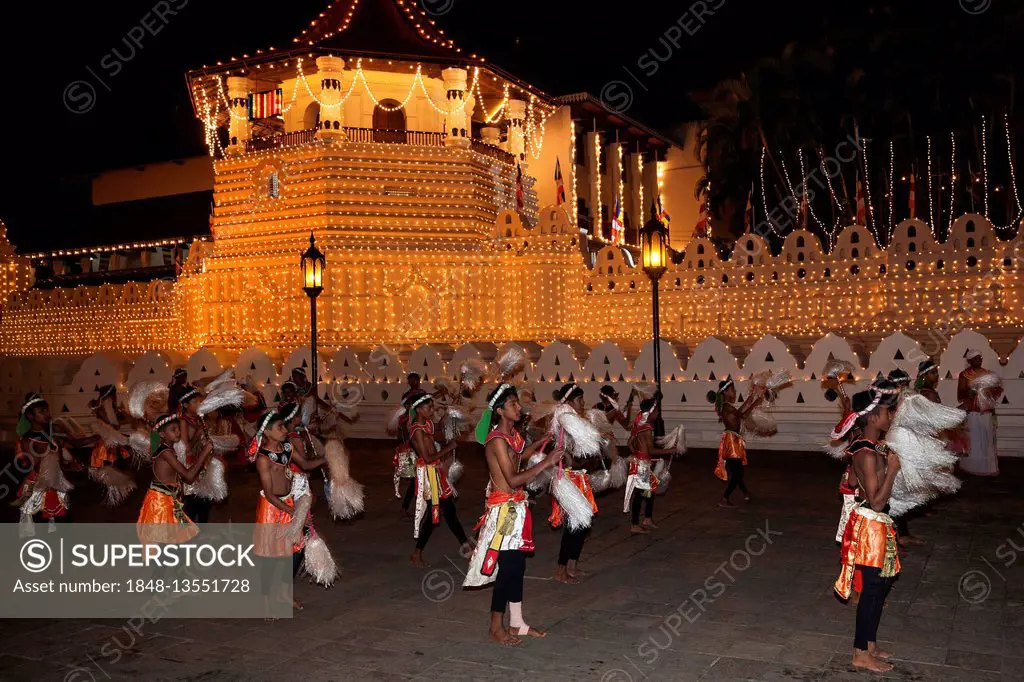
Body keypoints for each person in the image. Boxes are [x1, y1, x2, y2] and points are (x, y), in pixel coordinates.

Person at [464, 383, 561, 646]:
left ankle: (517, 622)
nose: (519, 408)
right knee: (508, 569)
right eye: (513, 405)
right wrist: (546, 462)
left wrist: (540, 444)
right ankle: (496, 626)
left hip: (515, 509)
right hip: (503, 512)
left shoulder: (511, 437)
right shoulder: (496, 439)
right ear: (499, 411)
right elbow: (514, 477)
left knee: (517, 567)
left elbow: (518, 456)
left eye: (518, 403)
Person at [833, 389, 902, 673]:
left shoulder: (867, 447)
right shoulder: (868, 453)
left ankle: (870, 644)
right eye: (887, 412)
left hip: (876, 523)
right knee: (873, 588)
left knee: (883, 584)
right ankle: (860, 653)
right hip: (872, 524)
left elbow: (851, 478)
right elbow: (876, 500)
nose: (891, 416)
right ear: (873, 417)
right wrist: (894, 469)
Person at [250, 410, 323, 617]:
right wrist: (295, 511)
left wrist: (327, 459)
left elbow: (306, 465)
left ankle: (283, 591)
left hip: (290, 502)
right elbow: (271, 494)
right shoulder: (263, 459)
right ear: (267, 432)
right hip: (271, 509)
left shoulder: (288, 448)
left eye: (284, 425)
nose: (284, 429)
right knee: (271, 556)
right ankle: (264, 601)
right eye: (280, 427)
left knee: (296, 550)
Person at [407, 393, 472, 567]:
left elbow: (436, 435)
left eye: (431, 407)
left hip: (436, 472)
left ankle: (465, 545)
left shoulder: (427, 424)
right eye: (428, 408)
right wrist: (448, 448)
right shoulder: (417, 430)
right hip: (428, 474)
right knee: (434, 516)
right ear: (418, 410)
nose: (431, 410)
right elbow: (427, 458)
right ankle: (416, 554)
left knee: (448, 511)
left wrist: (452, 419)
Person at [137, 414, 214, 545]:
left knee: (172, 543)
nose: (178, 432)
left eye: (178, 428)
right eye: (173, 429)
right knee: (167, 545)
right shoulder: (166, 453)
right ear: (162, 434)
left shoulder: (167, 450)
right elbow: (188, 477)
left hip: (167, 499)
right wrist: (204, 453)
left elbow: (182, 476)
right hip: (161, 502)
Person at [550, 382, 598, 584]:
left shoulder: (575, 423)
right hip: (569, 480)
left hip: (579, 479)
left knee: (582, 525)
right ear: (569, 402)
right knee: (572, 527)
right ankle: (561, 570)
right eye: (579, 400)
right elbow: (571, 459)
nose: (583, 403)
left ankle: (572, 565)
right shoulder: (566, 425)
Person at [623, 398, 675, 534]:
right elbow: (651, 450)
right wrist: (670, 451)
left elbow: (629, 443)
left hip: (641, 463)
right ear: (651, 412)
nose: (658, 413)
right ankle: (634, 524)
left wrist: (638, 453)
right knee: (640, 494)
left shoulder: (639, 424)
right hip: (641, 466)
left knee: (649, 492)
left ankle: (647, 518)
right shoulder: (646, 428)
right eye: (656, 410)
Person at [712, 378, 765, 507]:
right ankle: (725, 498)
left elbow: (739, 413)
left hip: (732, 439)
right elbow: (743, 415)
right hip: (731, 442)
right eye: (732, 390)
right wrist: (754, 403)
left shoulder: (727, 407)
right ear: (726, 392)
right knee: (738, 472)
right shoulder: (727, 407)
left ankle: (746, 493)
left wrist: (748, 400)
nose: (734, 392)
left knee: (737, 470)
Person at [957, 349, 1001, 476]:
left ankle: (988, 469)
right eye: (976, 358)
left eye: (980, 357)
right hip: (973, 412)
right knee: (974, 442)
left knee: (988, 441)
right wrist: (971, 392)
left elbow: (994, 392)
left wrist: (990, 392)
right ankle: (973, 467)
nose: (979, 360)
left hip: (986, 411)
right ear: (970, 361)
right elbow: (960, 394)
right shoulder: (964, 374)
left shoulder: (988, 374)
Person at [177, 385, 214, 525]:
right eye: (194, 402)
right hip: (191, 464)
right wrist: (199, 433)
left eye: (199, 401)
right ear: (186, 404)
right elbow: (186, 449)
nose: (198, 404)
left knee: (205, 500)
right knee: (192, 502)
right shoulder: (183, 421)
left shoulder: (200, 418)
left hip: (203, 462)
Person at [392, 391, 422, 516]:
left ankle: (407, 507)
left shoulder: (405, 418)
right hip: (412, 452)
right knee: (417, 481)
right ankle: (406, 508)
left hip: (411, 451)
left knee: (416, 481)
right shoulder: (408, 419)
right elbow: (411, 438)